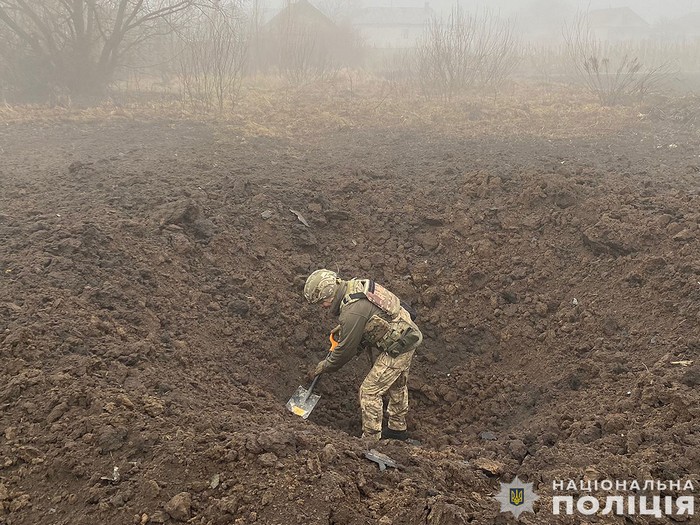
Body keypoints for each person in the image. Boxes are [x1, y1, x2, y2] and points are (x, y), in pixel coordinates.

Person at [303, 269, 423, 442]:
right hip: (407, 333)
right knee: (396, 384)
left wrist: (325, 365)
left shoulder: (352, 312)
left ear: (330, 293)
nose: (323, 306)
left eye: (323, 301)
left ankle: (371, 441)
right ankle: (397, 429)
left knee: (369, 392)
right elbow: (372, 313)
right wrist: (350, 329)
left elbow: (345, 351)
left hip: (400, 346)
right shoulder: (355, 286)